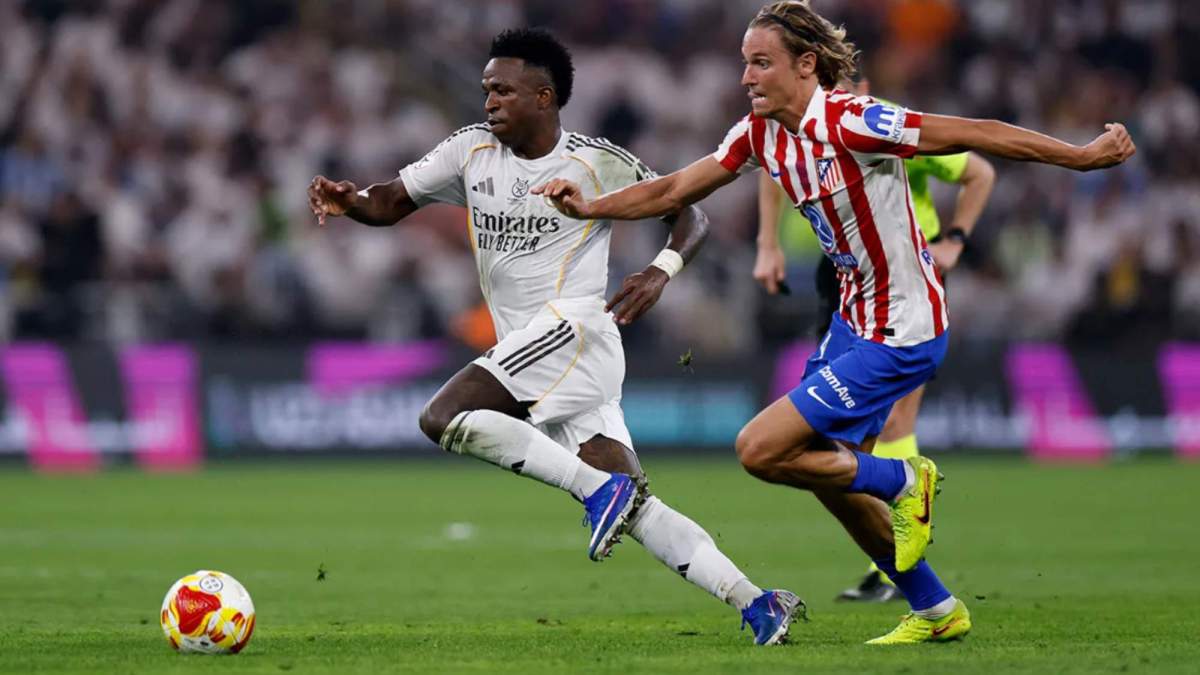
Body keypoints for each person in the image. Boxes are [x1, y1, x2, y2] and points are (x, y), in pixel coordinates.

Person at [534, 0, 1134, 644]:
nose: (747, 77)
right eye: (745, 63)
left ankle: (905, 479)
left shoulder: (854, 120)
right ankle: (936, 609)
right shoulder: (760, 134)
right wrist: (591, 206)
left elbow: (975, 132)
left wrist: (1079, 156)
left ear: (806, 64)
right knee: (828, 475)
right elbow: (673, 190)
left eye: (761, 63)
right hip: (853, 323)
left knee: (760, 449)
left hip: (904, 328)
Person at [307, 28, 803, 646]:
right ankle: (759, 603)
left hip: (573, 332)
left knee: (442, 417)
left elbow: (689, 212)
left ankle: (597, 490)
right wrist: (351, 200)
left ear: (543, 97)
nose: (489, 101)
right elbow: (390, 202)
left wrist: (660, 270)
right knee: (637, 505)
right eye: (486, 89)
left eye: (503, 91)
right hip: (541, 355)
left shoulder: (596, 162)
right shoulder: (469, 150)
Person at [754, 72, 996, 603]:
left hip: (907, 284)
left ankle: (893, 555)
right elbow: (771, 163)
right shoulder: (799, 126)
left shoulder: (884, 125)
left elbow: (978, 169)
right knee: (834, 449)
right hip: (845, 275)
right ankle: (912, 581)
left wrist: (955, 240)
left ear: (862, 84)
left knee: (895, 423)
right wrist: (768, 242)